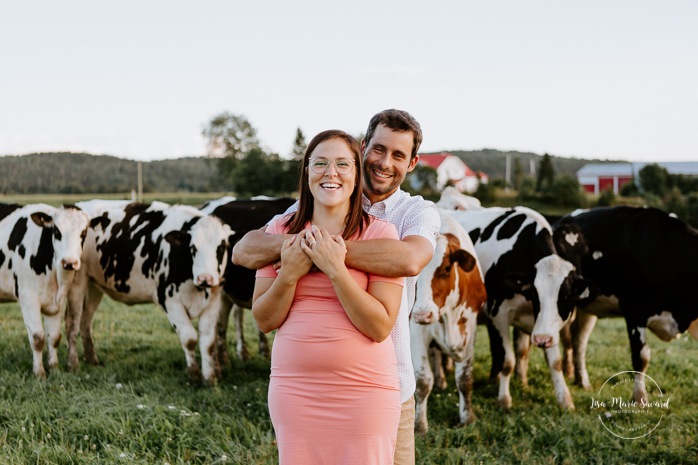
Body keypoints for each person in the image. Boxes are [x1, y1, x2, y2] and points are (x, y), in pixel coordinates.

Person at [235, 109, 440, 465]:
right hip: (299, 391)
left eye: (398, 155)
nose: (384, 162)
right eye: (378, 149)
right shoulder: (321, 198)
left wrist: (329, 255)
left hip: (386, 381)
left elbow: (408, 260)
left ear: (412, 163)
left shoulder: (415, 213)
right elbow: (244, 250)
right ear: (363, 149)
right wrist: (297, 247)